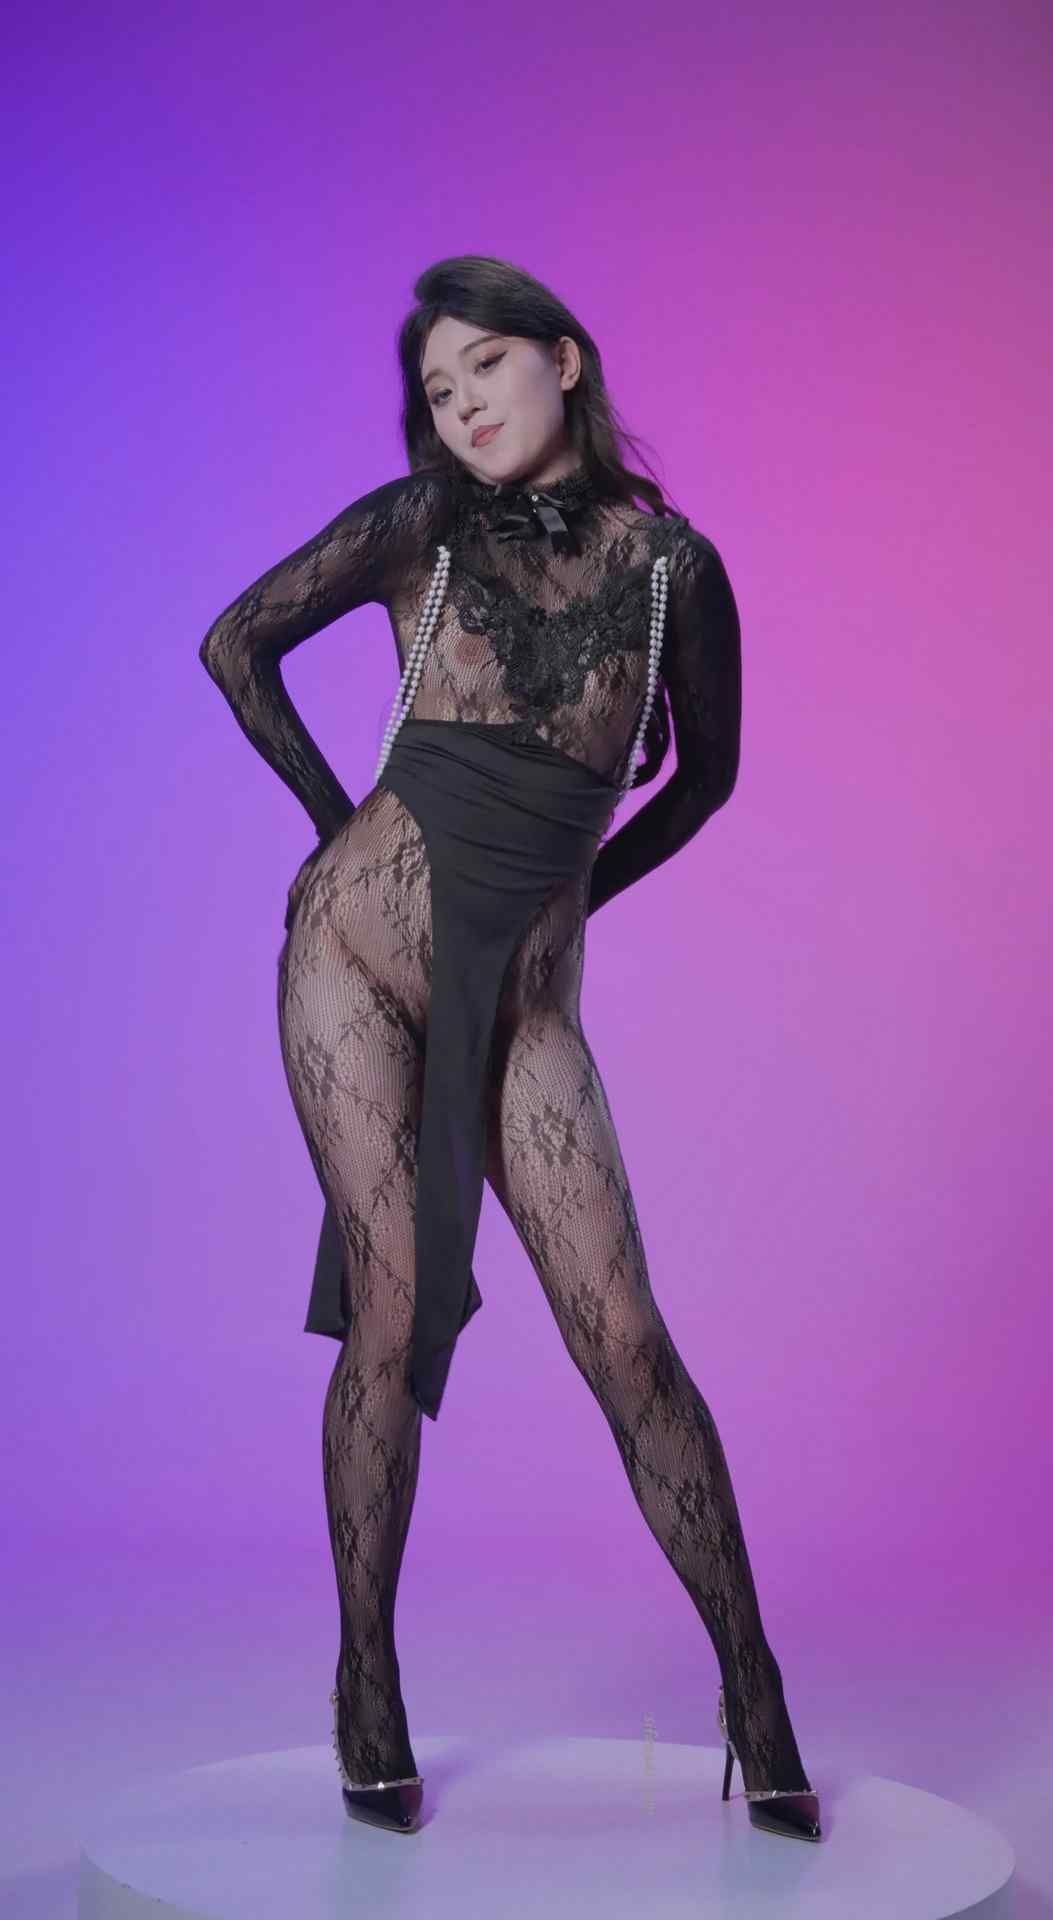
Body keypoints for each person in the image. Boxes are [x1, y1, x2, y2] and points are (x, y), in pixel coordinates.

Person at [197, 254, 822, 1844]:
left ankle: (755, 1695)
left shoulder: (676, 573)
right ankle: (366, 1679)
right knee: (389, 1314)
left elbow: (707, 779)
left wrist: (577, 893)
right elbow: (236, 643)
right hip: (354, 964)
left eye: (486, 364)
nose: (464, 403)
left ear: (566, 359)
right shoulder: (424, 525)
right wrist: (337, 833)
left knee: (628, 1339)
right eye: (438, 387)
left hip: (526, 1004)